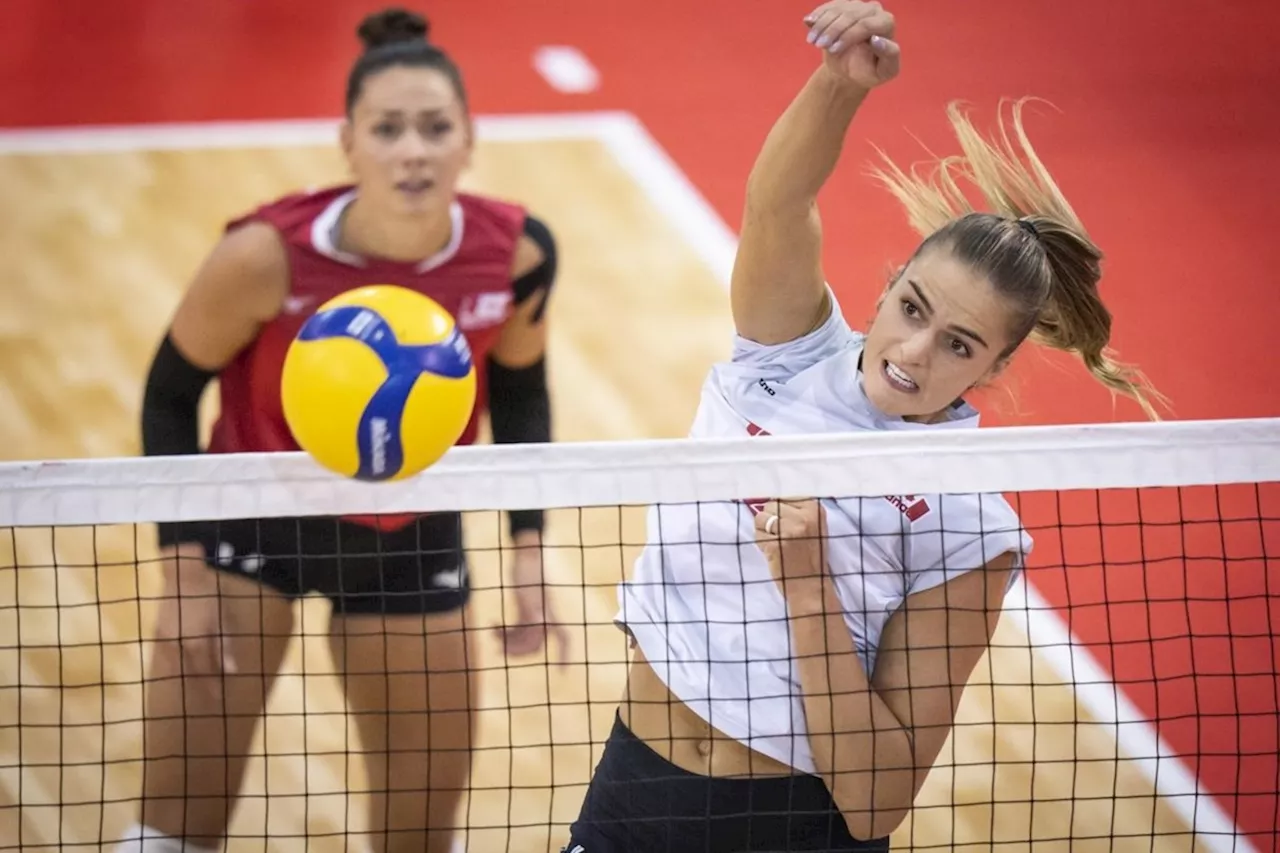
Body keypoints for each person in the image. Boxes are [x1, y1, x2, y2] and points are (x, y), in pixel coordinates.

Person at [562, 2, 1165, 851]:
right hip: (632, 792)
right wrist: (841, 84)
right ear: (886, 287)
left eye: (957, 343)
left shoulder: (968, 522)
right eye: (911, 308)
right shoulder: (779, 357)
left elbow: (879, 798)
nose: (913, 352)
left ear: (992, 367)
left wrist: (810, 591)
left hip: (788, 829)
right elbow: (776, 200)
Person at [119, 8, 565, 853]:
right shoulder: (266, 256)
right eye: (387, 129)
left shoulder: (517, 255)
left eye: (436, 129)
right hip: (246, 529)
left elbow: (522, 393)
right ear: (348, 142)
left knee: (421, 838)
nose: (413, 151)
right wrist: (180, 574)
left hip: (410, 535)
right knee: (172, 833)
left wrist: (529, 550)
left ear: (469, 141)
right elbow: (167, 397)